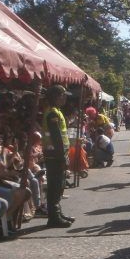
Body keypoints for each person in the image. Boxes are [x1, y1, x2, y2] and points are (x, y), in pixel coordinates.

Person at [42, 85, 73, 228]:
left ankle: (57, 212)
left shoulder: (56, 112)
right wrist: (62, 157)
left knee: (59, 185)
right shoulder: (52, 114)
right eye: (62, 95)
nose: (64, 98)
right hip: (54, 155)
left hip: (57, 154)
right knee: (55, 185)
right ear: (55, 97)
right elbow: (57, 138)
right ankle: (53, 217)